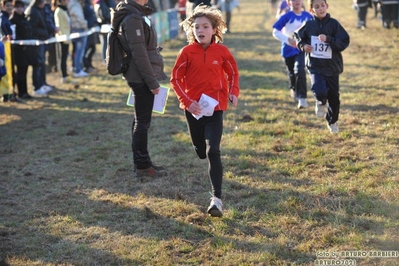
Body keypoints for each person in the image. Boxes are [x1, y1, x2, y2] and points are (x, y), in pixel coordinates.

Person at [170, 4, 240, 217]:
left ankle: (216, 199)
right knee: (200, 151)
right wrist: (188, 101)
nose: (200, 30)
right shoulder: (186, 52)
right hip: (193, 109)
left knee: (213, 151)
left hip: (215, 108)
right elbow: (175, 79)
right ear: (192, 30)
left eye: (205, 27)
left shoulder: (222, 51)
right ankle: (198, 146)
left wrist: (233, 91)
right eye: (197, 27)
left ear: (214, 29)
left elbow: (233, 73)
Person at [112, 0, 168, 177]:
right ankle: (143, 166)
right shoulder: (133, 17)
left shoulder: (136, 14)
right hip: (141, 77)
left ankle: (142, 162)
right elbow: (139, 53)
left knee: (139, 120)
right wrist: (152, 82)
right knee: (142, 122)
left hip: (141, 75)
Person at [294, 0, 350, 133]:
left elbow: (344, 41)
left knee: (334, 98)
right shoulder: (309, 24)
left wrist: (329, 39)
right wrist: (303, 46)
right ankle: (320, 102)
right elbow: (298, 36)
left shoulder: (334, 24)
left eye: (322, 5)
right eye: (316, 7)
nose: (320, 9)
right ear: (311, 10)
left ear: (327, 6)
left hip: (332, 67)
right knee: (319, 90)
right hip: (315, 65)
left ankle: (333, 121)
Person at [272, 0, 312, 109]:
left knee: (299, 69)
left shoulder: (308, 16)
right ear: (289, 3)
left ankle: (302, 98)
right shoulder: (286, 16)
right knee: (291, 73)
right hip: (288, 50)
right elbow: (275, 31)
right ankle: (293, 88)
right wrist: (288, 40)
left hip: (301, 49)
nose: (297, 1)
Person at [25, 0, 52, 96]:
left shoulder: (38, 10)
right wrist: (44, 33)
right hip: (36, 42)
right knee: (37, 64)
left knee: (41, 63)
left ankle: (42, 84)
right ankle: (37, 87)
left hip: (41, 41)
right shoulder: (33, 12)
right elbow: (32, 28)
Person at [9, 0, 34, 99]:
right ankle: (20, 92)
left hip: (27, 49)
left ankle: (24, 91)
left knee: (24, 71)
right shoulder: (13, 20)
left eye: (21, 7)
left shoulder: (24, 18)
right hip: (18, 50)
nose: (19, 9)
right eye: (17, 7)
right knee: (20, 72)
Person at [68, 0, 89, 77]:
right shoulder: (75, 5)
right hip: (79, 29)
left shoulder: (72, 4)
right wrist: (85, 26)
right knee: (79, 52)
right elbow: (79, 17)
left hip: (75, 29)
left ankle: (75, 67)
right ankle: (78, 70)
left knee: (76, 51)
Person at [53, 0, 71, 83]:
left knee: (65, 57)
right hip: (62, 38)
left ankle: (65, 74)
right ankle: (63, 76)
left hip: (66, 37)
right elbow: (59, 26)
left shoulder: (64, 10)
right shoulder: (59, 11)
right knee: (62, 58)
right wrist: (63, 37)